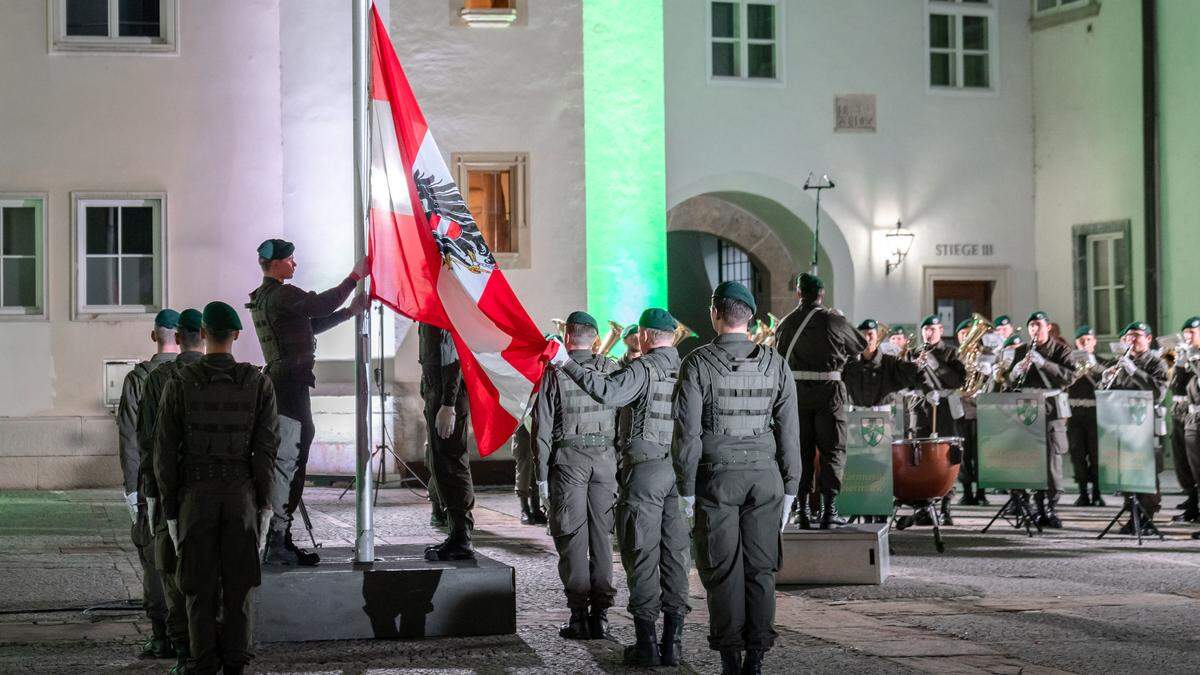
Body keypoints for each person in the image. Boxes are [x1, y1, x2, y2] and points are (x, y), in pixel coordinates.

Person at [673, 281, 800, 675]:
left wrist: (685, 491)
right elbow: (790, 433)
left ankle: (730, 656)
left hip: (717, 478)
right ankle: (756, 656)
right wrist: (792, 489)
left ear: (715, 313)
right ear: (751, 318)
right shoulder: (776, 363)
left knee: (723, 569)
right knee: (761, 569)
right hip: (765, 478)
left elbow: (686, 434)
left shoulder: (697, 363)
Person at [553, 308, 690, 666]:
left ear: (644, 335)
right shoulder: (691, 367)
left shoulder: (644, 368)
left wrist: (566, 363)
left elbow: (609, 393)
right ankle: (673, 643)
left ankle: (646, 644)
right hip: (680, 473)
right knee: (675, 556)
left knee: (641, 554)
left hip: (645, 472)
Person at [154, 301, 279, 675]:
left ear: (203, 334)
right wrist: (265, 505)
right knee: (239, 587)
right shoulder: (257, 382)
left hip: (195, 496)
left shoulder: (179, 382)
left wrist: (171, 511)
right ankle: (236, 662)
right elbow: (267, 450)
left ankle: (203, 661)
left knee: (197, 587)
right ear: (237, 335)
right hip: (241, 496)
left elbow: (163, 452)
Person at [246, 238, 369, 566]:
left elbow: (310, 324)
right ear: (275, 265)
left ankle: (279, 537)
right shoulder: (282, 294)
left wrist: (350, 312)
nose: (294, 264)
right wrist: (354, 278)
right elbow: (320, 306)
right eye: (290, 259)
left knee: (291, 455)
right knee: (291, 459)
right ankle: (278, 540)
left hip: (285, 383)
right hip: (289, 386)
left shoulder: (267, 298)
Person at [534, 311, 620, 641]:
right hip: (605, 460)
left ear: (567, 338)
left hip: (569, 461)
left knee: (572, 538)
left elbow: (541, 429)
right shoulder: (612, 370)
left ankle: (578, 615)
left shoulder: (555, 373)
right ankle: (601, 616)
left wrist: (541, 477)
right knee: (602, 538)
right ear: (595, 338)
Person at [136, 308, 205, 671]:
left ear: (179, 337)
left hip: (169, 495)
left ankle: (182, 653)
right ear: (204, 335)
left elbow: (147, 444)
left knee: (170, 571)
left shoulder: (157, 379)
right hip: (218, 494)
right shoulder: (239, 378)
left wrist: (148, 495)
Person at [773, 273, 865, 530]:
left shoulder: (786, 323)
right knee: (832, 451)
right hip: (829, 393)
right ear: (822, 294)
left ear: (798, 294)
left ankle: (801, 511)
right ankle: (828, 511)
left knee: (799, 452)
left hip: (797, 395)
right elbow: (861, 344)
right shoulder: (833, 320)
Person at [116, 307, 180, 660]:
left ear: (154, 335)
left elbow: (129, 437)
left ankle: (161, 636)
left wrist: (132, 490)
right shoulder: (193, 373)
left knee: (155, 562)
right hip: (188, 488)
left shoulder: (139, 378)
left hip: (149, 486)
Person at [1002, 311, 1075, 528]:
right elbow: (1010, 383)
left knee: (1052, 458)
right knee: (1028, 456)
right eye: (1031, 326)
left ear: (1048, 327)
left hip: (1051, 408)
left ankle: (1049, 506)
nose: (1035, 329)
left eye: (1038, 325)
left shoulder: (1061, 349)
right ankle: (1031, 504)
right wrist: (1014, 372)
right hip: (1027, 408)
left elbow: (1070, 377)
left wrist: (1044, 363)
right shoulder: (1022, 350)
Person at [1104, 321, 1169, 533]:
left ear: (1148, 339)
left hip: (1145, 424)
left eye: (1137, 336)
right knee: (1126, 469)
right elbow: (1110, 393)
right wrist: (1105, 380)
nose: (1132, 340)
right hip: (1123, 424)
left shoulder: (1156, 363)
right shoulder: (1121, 362)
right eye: (1128, 336)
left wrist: (1133, 371)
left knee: (1147, 469)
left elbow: (1158, 392)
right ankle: (1132, 515)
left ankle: (1147, 517)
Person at [418, 323, 476, 560]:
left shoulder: (441, 309)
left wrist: (448, 404)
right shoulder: (428, 312)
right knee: (441, 465)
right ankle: (456, 533)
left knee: (452, 465)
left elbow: (453, 357)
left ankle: (462, 537)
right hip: (437, 396)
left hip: (446, 398)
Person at [909, 315, 966, 524]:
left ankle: (946, 507)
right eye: (925, 329)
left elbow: (957, 379)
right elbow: (907, 380)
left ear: (940, 330)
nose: (928, 333)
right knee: (921, 456)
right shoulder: (914, 353)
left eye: (932, 329)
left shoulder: (951, 352)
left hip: (943, 410)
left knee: (946, 457)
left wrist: (935, 364)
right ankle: (924, 507)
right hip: (921, 408)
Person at [1066, 325, 1105, 507]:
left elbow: (1106, 381)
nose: (1084, 342)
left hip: (1095, 413)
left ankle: (1097, 492)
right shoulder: (1069, 363)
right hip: (1074, 413)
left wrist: (1093, 365)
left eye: (1088, 339)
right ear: (1076, 343)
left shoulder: (1103, 362)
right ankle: (1083, 493)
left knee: (1096, 455)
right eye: (1081, 340)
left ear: (1094, 342)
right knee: (1078, 455)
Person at [1169, 317, 1200, 523]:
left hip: (1196, 413)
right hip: (1182, 411)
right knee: (1183, 462)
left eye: (1192, 332)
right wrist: (1179, 364)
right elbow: (1175, 386)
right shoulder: (1183, 355)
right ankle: (1192, 501)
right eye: (1185, 332)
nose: (1187, 336)